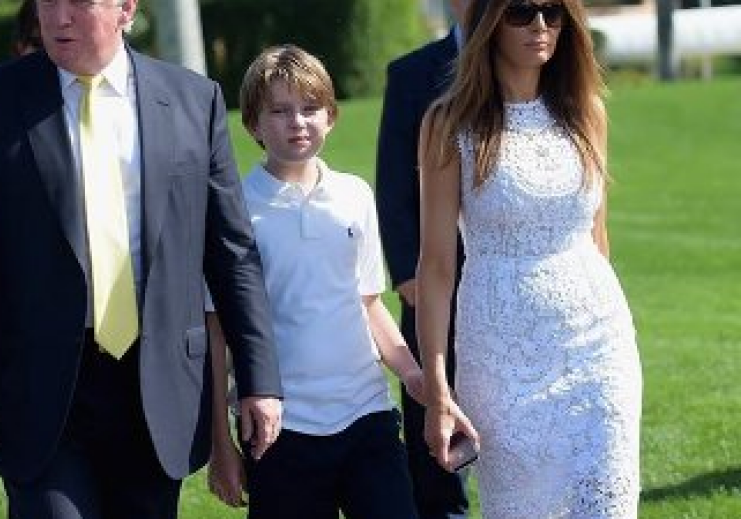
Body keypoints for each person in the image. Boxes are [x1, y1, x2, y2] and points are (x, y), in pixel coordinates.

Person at [0, 1, 283, 518]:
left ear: (125, 9)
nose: (58, 17)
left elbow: (231, 252)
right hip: (37, 390)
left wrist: (259, 379)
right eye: (48, 1)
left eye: (79, 2)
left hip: (157, 389)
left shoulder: (194, 100)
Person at [416, 0, 642, 517]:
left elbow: (598, 237)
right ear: (489, 23)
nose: (540, 26)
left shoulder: (587, 111)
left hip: (598, 348)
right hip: (500, 356)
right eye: (520, 12)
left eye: (552, 12)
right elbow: (436, 268)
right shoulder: (449, 124)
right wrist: (438, 388)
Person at [206, 44, 424, 519]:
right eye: (279, 111)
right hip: (278, 427)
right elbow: (217, 330)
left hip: (367, 413)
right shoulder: (234, 209)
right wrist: (221, 444)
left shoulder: (355, 195)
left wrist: (412, 373)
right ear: (253, 124)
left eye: (309, 108)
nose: (298, 122)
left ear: (331, 116)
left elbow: (368, 302)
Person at [375, 1, 470, 517]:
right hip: (432, 284)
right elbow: (393, 184)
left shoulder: (530, 63)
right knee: (435, 432)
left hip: (510, 279)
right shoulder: (412, 74)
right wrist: (409, 276)